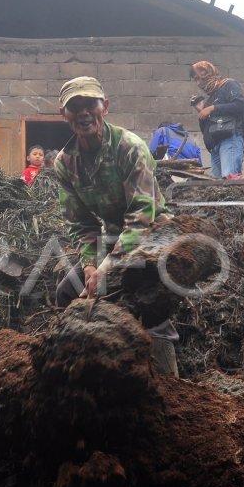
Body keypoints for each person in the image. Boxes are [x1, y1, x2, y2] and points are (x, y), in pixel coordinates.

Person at [52, 76, 178, 375]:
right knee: (68, 292)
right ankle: (78, 374)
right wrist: (90, 265)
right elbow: (80, 223)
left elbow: (141, 215)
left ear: (104, 107)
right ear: (64, 116)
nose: (83, 113)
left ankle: (169, 386)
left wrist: (109, 267)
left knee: (146, 299)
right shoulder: (64, 163)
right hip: (114, 237)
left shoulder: (130, 148)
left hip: (154, 234)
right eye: (75, 107)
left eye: (90, 105)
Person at [190, 61, 244, 178]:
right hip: (215, 146)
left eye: (199, 78)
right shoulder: (211, 98)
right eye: (195, 80)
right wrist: (202, 111)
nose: (198, 83)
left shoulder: (229, 84)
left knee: (230, 181)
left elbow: (240, 106)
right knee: (218, 189)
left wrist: (212, 108)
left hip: (230, 139)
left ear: (207, 72)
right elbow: (206, 130)